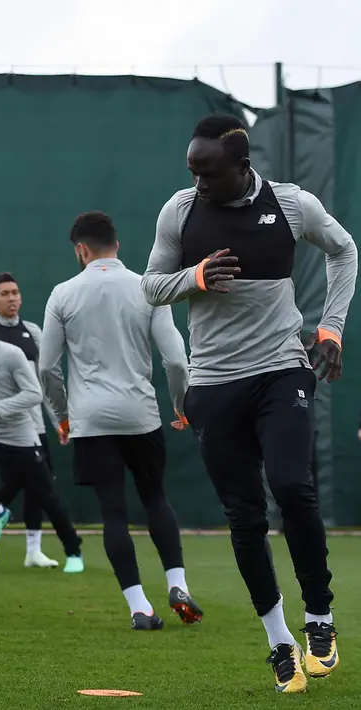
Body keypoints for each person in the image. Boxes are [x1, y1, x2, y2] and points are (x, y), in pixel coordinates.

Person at [141, 113, 357, 692]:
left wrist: (331, 328)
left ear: (242, 166)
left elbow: (344, 251)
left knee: (292, 487)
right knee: (245, 516)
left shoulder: (291, 205)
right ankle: (279, 642)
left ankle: (320, 617)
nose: (198, 183)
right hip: (213, 383)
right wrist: (197, 277)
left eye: (208, 172)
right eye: (192, 171)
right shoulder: (180, 212)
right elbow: (150, 286)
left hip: (281, 369)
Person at [40, 211, 202, 632]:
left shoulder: (63, 294)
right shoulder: (146, 288)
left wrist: (62, 416)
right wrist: (181, 406)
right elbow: (174, 359)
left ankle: (139, 607)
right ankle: (178, 583)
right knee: (155, 499)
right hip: (140, 415)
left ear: (81, 249)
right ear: (118, 245)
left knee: (114, 512)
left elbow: (47, 369)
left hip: (91, 420)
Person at [0, 301, 84, 574]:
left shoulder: (11, 355)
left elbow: (34, 394)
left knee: (47, 497)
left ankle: (73, 551)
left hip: (21, 439)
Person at [0, 272, 62, 567]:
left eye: (15, 292)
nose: (12, 298)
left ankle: (33, 551)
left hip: (34, 424)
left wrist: (58, 422)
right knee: (14, 481)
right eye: (5, 293)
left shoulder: (33, 332)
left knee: (40, 484)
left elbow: (44, 382)